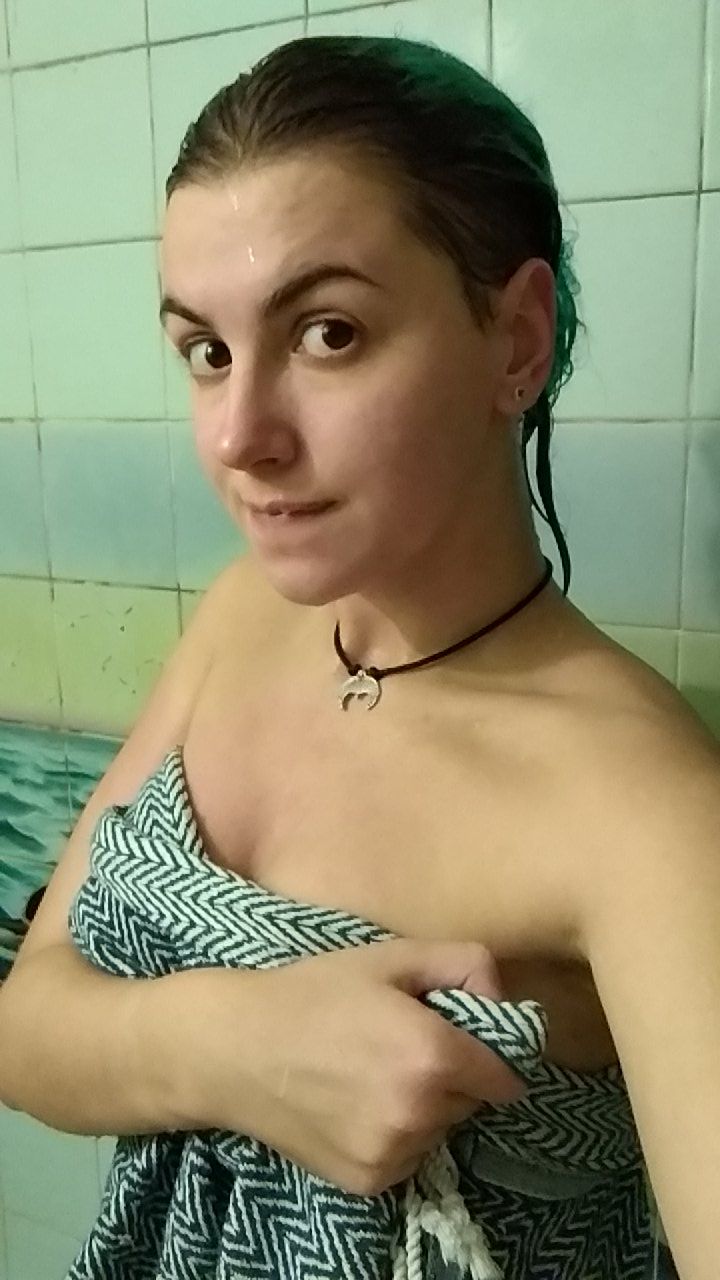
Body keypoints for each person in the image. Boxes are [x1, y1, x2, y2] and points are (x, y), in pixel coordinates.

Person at [0, 33, 712, 1279]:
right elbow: (25, 1023)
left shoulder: (643, 807)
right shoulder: (241, 617)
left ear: (515, 338)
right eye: (206, 351)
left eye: (328, 332)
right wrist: (237, 1046)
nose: (240, 435)